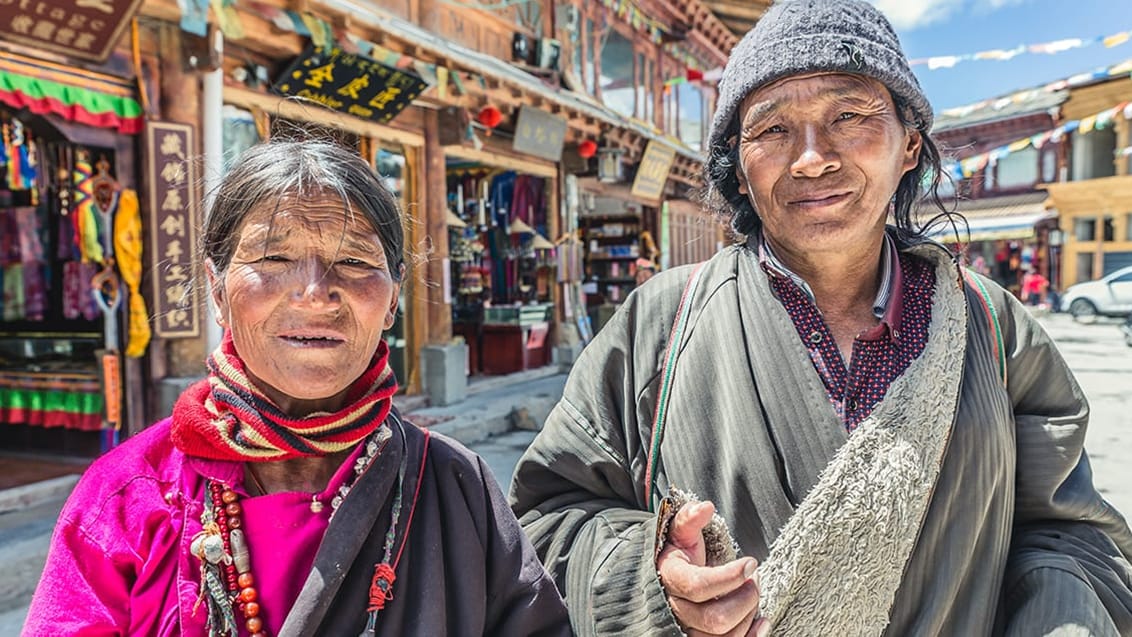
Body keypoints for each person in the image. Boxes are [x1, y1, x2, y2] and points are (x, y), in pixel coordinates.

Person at [510, 1, 1132, 635]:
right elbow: (547, 521)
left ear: (909, 144)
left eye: (849, 116)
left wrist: (1061, 619)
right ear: (738, 162)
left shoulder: (996, 329)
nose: (811, 158)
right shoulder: (660, 324)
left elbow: (1069, 531)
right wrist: (655, 583)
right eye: (773, 130)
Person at [24, 140, 570, 637]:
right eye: (274, 259)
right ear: (217, 291)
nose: (316, 293)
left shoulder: (454, 482)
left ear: (393, 299)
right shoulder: (125, 498)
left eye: (354, 261)